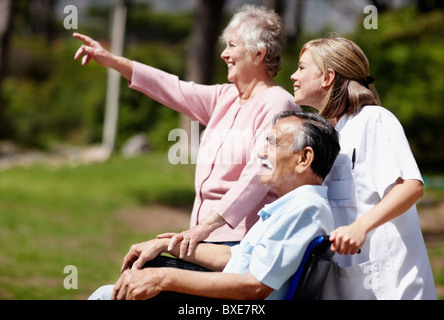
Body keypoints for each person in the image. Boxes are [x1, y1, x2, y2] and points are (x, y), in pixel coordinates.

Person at [73, 5, 299, 257]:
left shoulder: (279, 104)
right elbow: (172, 87)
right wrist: (112, 60)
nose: (224, 54)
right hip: (204, 238)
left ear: (259, 54)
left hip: (239, 244)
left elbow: (258, 175)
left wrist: (205, 227)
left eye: (232, 46)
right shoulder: (226, 97)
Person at [88, 110, 341, 300]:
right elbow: (234, 256)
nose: (262, 153)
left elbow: (254, 287)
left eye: (273, 143)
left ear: (304, 158)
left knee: (106, 295)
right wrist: (168, 245)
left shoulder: (305, 209)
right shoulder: (295, 206)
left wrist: (163, 278)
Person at [290, 36, 436, 299]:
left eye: (301, 67)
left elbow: (411, 186)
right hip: (347, 283)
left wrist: (360, 227)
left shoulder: (374, 119)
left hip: (391, 285)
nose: (292, 75)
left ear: (327, 77)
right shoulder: (327, 135)